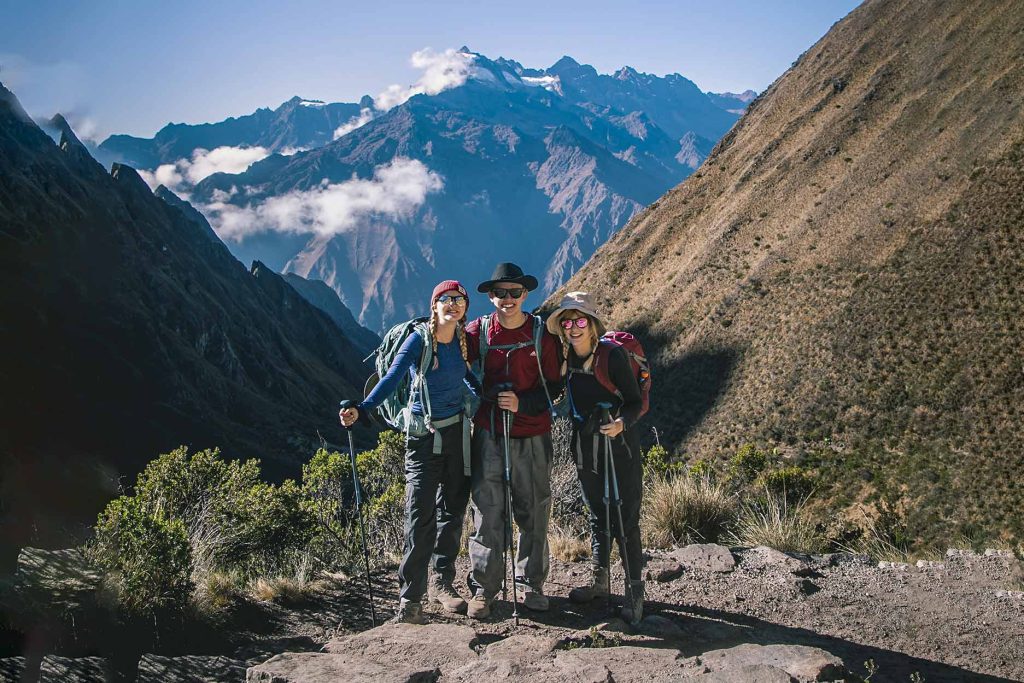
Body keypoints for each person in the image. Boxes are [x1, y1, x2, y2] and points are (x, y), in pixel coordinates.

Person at [339, 280, 480, 624]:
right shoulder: (419, 340)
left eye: (458, 300)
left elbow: (468, 379)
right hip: (422, 440)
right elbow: (391, 377)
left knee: (453, 511)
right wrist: (363, 407)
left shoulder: (461, 341)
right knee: (419, 517)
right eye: (445, 300)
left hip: (458, 435)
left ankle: (441, 582)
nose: (452, 305)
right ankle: (410, 600)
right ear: (434, 306)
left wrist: (492, 399)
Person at [464, 262, 562, 619]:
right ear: (491, 297)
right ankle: (484, 588)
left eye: (515, 292)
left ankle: (530, 583)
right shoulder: (479, 333)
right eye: (501, 293)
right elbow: (454, 364)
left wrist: (524, 403)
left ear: (525, 294)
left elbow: (556, 386)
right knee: (487, 511)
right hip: (489, 432)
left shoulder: (542, 335)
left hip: (532, 432)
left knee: (533, 509)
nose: (508, 299)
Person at [547, 291, 646, 624]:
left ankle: (635, 591)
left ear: (592, 324)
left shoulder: (612, 357)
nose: (573, 327)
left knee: (625, 517)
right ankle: (600, 580)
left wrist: (621, 424)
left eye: (579, 321)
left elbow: (635, 402)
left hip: (620, 444)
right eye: (567, 322)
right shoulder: (569, 359)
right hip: (585, 444)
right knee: (596, 513)